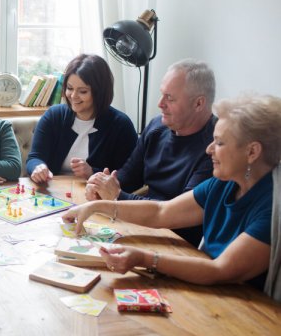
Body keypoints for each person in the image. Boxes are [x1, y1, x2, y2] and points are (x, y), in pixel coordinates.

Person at [63, 93, 281, 291]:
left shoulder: (273, 206)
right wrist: (97, 206)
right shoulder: (225, 182)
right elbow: (161, 211)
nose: (209, 149)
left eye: (220, 142)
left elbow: (220, 269)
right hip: (211, 290)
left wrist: (145, 259)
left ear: (252, 151)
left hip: (252, 311)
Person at [85, 59, 217, 247]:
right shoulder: (157, 127)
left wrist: (117, 197)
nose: (160, 103)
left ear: (198, 103)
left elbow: (179, 215)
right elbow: (128, 176)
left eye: (170, 98)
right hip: (142, 226)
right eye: (162, 94)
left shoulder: (217, 148)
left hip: (180, 242)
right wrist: (102, 187)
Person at [26, 54, 137, 184]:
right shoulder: (53, 116)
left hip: (96, 197)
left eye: (82, 91)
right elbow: (34, 157)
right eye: (69, 88)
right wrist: (38, 167)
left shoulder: (121, 125)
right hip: (53, 194)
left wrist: (92, 172)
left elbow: (131, 178)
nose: (73, 96)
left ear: (99, 92)